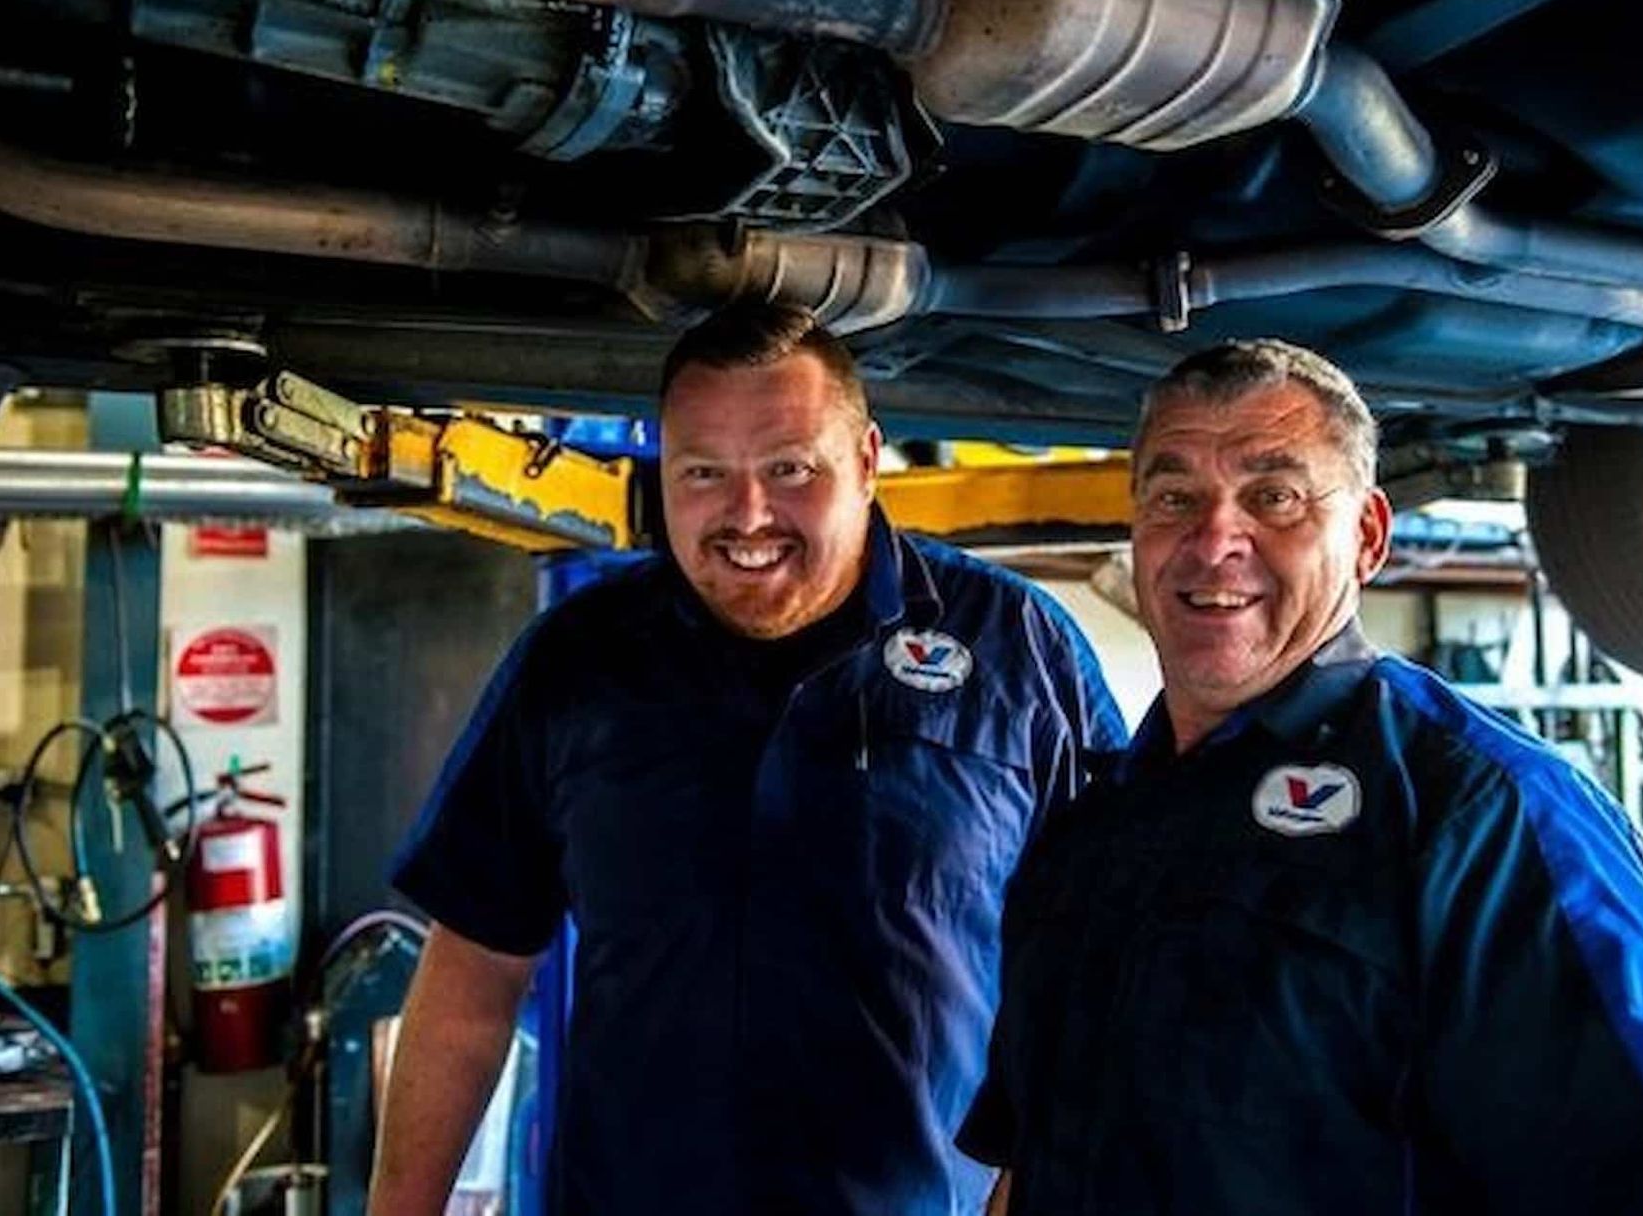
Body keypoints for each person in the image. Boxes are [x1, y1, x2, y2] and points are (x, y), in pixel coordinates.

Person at [959, 339, 1643, 1215]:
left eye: (1275, 496)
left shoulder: (1485, 813)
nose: (1215, 538)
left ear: (1369, 535)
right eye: (1175, 497)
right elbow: (1028, 1167)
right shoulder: (1094, 826)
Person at [372, 301, 1126, 1215]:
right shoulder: (578, 663)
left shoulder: (1018, 652)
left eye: (789, 468)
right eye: (704, 474)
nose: (748, 514)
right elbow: (470, 981)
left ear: (866, 460)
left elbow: (1105, 979)